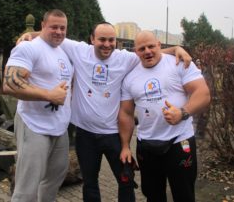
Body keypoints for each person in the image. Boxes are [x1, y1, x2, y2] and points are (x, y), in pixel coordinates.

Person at [18, 22, 192, 202]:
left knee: (125, 180)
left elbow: (148, 52)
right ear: (92, 39)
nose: (107, 44)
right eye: (102, 39)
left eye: (111, 40)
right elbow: (55, 33)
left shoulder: (125, 58)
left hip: (113, 134)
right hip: (85, 134)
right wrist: (31, 35)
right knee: (90, 182)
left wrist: (176, 49)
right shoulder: (79, 50)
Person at [118, 31, 210, 202]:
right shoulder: (129, 77)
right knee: (153, 196)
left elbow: (203, 93)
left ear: (159, 45)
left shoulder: (179, 63)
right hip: (147, 144)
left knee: (184, 195)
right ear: (135, 51)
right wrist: (125, 146)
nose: (147, 51)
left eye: (151, 46)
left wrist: (182, 112)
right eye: (142, 48)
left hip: (179, 141)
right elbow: (126, 113)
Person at [3, 9, 74, 202]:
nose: (59, 31)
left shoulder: (64, 51)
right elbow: (9, 83)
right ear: (43, 25)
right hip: (34, 125)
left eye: (62, 28)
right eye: (54, 27)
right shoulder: (29, 48)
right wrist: (49, 95)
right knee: (27, 188)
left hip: (60, 128)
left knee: (54, 179)